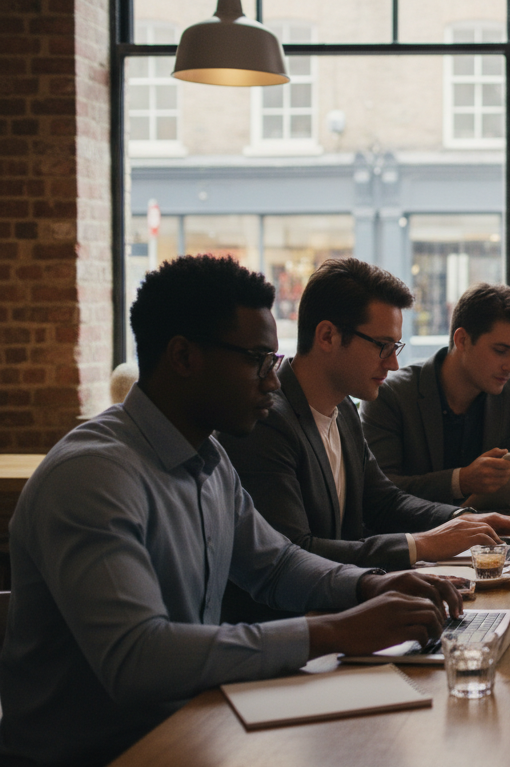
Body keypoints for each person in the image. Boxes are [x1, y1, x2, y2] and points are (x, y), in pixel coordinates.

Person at [0, 255, 463, 767]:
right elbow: (137, 658)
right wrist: (335, 630)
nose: (272, 381)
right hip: (106, 753)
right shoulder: (92, 476)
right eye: (258, 360)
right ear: (183, 357)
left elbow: (276, 564)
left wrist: (369, 585)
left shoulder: (207, 455)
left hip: (196, 726)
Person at [216, 259, 510, 623]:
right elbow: (295, 552)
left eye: (395, 347)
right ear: (327, 337)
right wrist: (420, 545)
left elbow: (383, 502)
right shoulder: (266, 420)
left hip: (343, 612)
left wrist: (465, 520)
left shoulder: (344, 409)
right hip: (287, 632)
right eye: (383, 346)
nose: (394, 364)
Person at [361, 282, 510, 507]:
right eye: (500, 351)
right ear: (462, 340)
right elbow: (378, 491)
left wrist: (503, 483)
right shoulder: (392, 394)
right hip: (418, 537)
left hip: (495, 537)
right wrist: (460, 481)